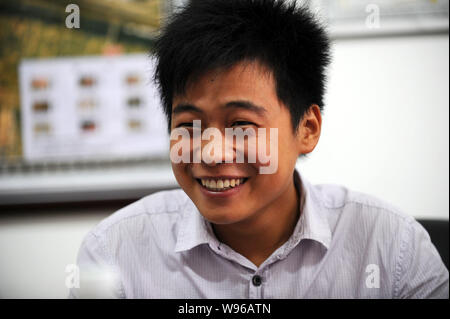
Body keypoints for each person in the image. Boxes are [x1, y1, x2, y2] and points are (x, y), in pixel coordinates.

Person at [69, 0, 448, 298]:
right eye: (188, 125)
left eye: (241, 125)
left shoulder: (391, 246)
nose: (211, 154)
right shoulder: (115, 252)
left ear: (307, 129)